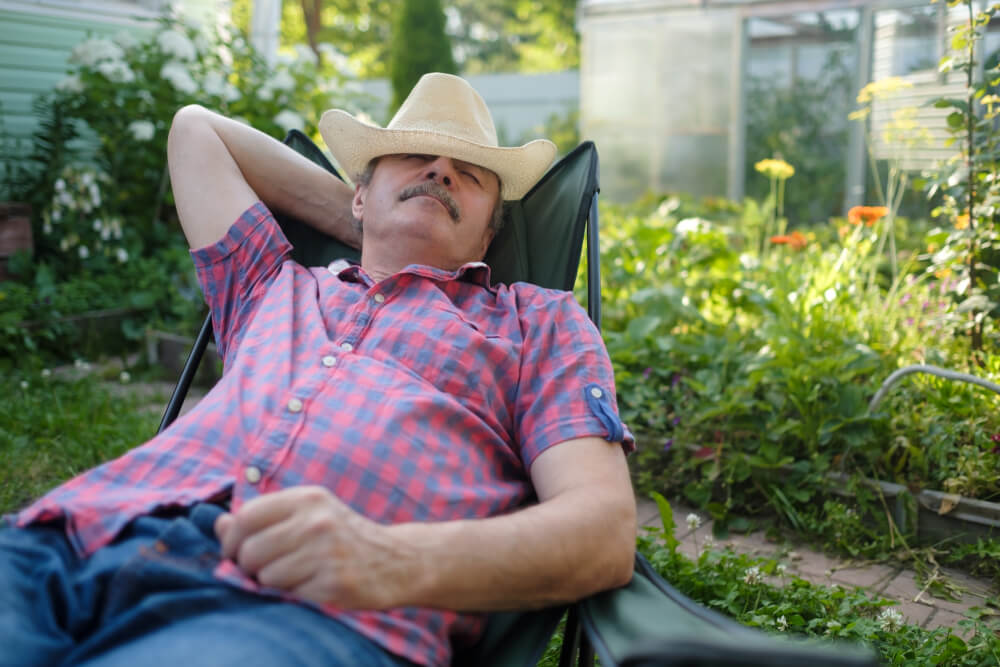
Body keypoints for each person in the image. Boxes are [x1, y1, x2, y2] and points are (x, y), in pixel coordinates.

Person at [0, 73, 636, 667]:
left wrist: (387, 560)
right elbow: (197, 130)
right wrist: (374, 231)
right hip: (73, 537)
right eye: (415, 159)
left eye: (468, 175)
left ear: (488, 239)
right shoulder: (270, 283)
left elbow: (602, 532)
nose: (441, 169)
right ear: (358, 194)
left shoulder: (538, 324)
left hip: (299, 610)